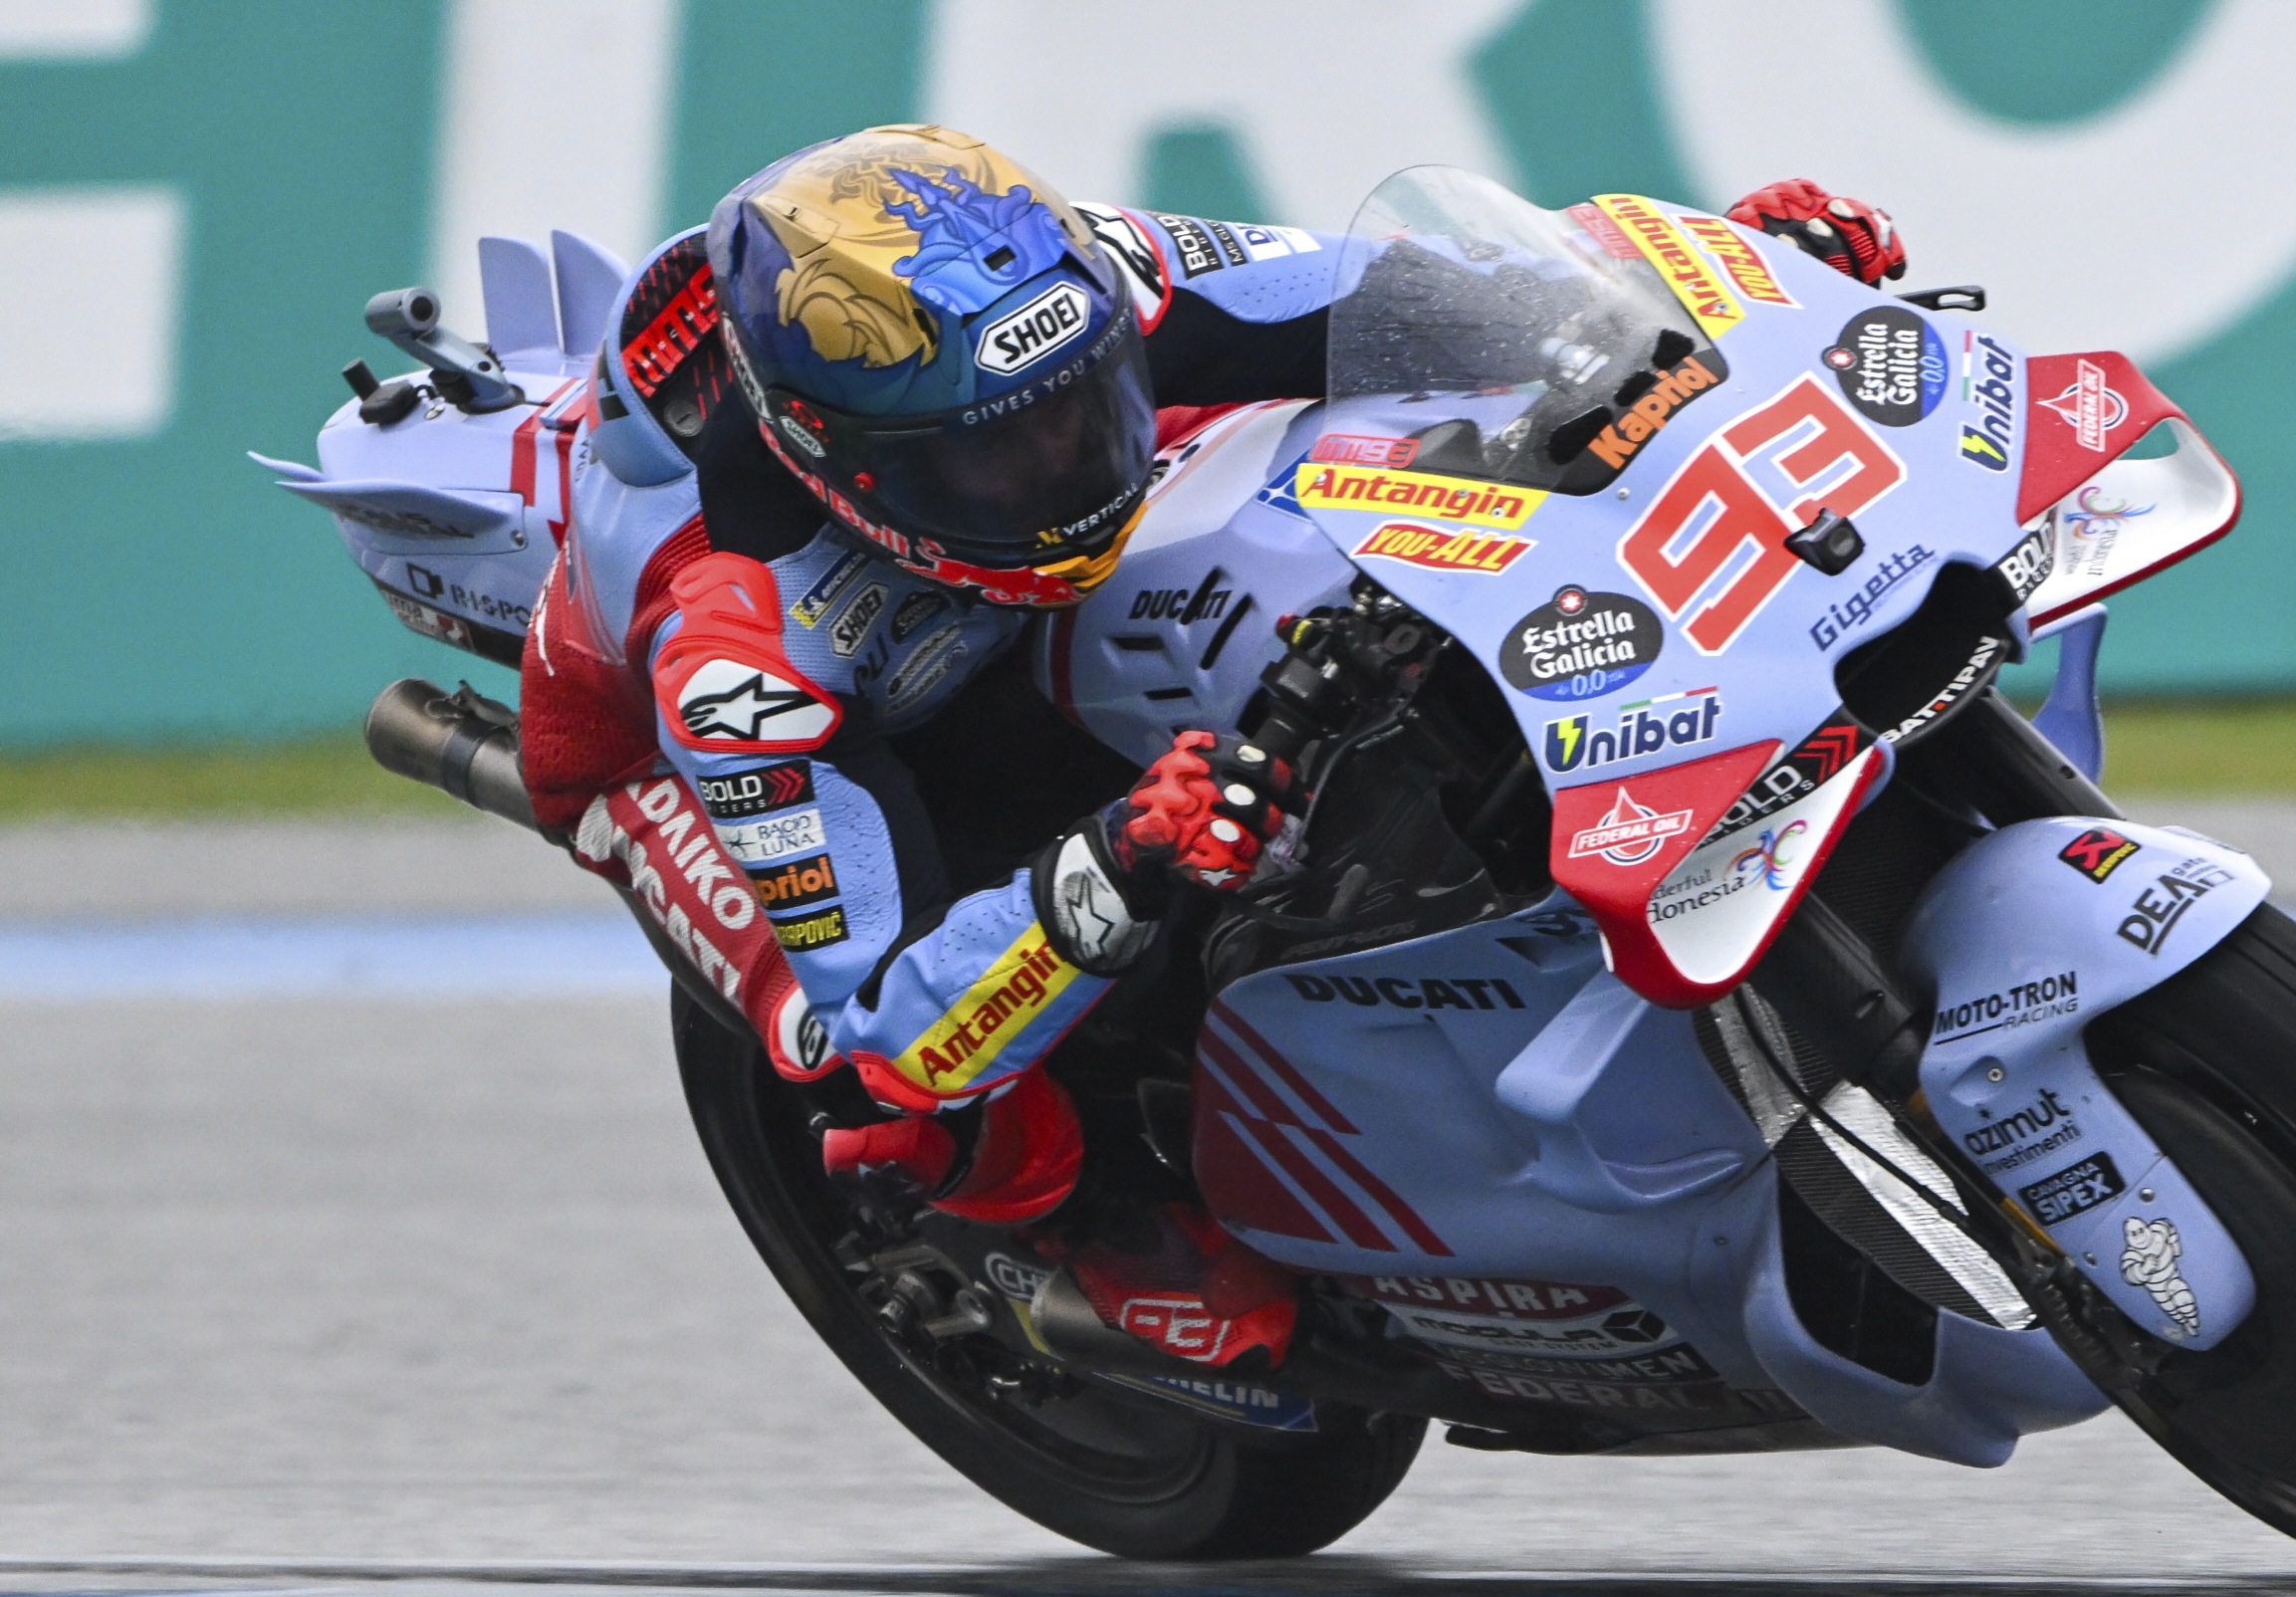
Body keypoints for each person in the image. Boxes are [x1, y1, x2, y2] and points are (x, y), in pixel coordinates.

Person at [517, 126, 1906, 1369]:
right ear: (844, 460)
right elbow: (897, 1009)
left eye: (1086, 404)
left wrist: (1719, 281)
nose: (1066, 464)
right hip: (684, 752)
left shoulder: (1097, 281)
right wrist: (1113, 862)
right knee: (852, 1060)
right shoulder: (734, 645)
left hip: (998, 620)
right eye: (994, 459)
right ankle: (1080, 1232)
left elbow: (1439, 293)